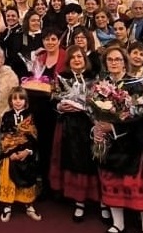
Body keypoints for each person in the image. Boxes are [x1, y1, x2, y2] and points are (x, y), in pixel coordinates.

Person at [95, 46, 143, 233]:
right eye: (110, 60)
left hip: (132, 141)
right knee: (111, 183)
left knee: (139, 187)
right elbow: (94, 109)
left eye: (118, 59)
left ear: (125, 62)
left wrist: (114, 126)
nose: (114, 63)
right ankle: (118, 223)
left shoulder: (135, 84)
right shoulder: (101, 84)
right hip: (109, 143)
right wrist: (97, 126)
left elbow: (139, 115)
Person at [49, 46, 100, 222]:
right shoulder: (63, 78)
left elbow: (100, 103)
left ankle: (101, 203)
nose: (77, 60)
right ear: (68, 61)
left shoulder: (95, 78)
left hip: (91, 126)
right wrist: (59, 106)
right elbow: (53, 99)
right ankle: (79, 202)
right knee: (74, 161)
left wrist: (85, 107)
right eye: (73, 58)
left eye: (80, 57)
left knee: (93, 162)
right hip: (69, 126)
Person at [0, 87, 43, 222]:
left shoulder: (31, 116)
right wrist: (11, 152)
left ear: (26, 101)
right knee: (8, 179)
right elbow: (4, 136)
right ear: (10, 101)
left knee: (27, 179)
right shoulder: (6, 116)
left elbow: (34, 136)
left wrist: (27, 151)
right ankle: (7, 206)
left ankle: (29, 206)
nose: (18, 102)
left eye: (21, 98)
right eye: (14, 98)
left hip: (26, 155)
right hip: (9, 155)